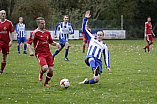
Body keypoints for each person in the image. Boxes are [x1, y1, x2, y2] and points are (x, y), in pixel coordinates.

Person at [78, 10, 112, 84]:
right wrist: (85, 19)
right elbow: (84, 29)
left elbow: (106, 56)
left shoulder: (104, 46)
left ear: (103, 36)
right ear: (96, 35)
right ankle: (94, 70)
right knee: (91, 58)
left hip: (98, 61)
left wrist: (108, 66)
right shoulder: (92, 38)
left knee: (96, 79)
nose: (99, 36)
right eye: (98, 35)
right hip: (90, 57)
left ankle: (85, 82)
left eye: (100, 35)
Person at [27, 17, 61, 87]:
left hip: (48, 53)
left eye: (44, 23)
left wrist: (56, 44)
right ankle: (41, 72)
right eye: (42, 23)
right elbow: (28, 43)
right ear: (38, 24)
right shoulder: (35, 33)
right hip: (40, 53)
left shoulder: (47, 33)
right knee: (45, 68)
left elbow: (51, 42)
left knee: (51, 70)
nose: (44, 25)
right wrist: (30, 51)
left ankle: (46, 83)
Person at [0, 10, 14, 74]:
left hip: (6, 42)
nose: (3, 15)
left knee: (4, 56)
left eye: (4, 14)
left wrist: (11, 41)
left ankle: (1, 70)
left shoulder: (9, 23)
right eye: (2, 13)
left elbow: (12, 32)